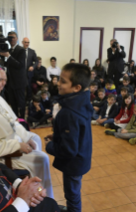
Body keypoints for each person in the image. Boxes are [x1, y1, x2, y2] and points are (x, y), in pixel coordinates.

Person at [0, 65, 53, 197]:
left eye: (0, 80)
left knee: (35, 138)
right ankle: (42, 196)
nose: (0, 85)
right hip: (4, 155)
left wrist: (25, 137)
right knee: (42, 158)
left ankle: (37, 191)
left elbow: (13, 122)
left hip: (12, 142)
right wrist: (18, 145)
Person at [45, 63, 93, 212]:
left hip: (74, 163)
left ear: (77, 87)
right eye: (59, 79)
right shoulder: (82, 101)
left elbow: (69, 150)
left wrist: (50, 146)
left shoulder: (69, 113)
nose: (58, 84)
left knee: (72, 194)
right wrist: (58, 136)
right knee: (74, 191)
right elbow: (76, 133)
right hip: (81, 157)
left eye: (63, 81)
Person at [0, 31, 27, 118]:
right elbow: (10, 65)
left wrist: (8, 56)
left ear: (17, 38)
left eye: (13, 37)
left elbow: (20, 65)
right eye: (9, 37)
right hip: (11, 82)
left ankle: (22, 121)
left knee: (21, 103)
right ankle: (15, 119)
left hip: (19, 82)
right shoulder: (9, 50)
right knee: (13, 103)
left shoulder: (21, 50)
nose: (11, 39)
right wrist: (1, 61)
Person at [22, 37, 38, 101]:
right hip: (21, 73)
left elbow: (36, 61)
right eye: (25, 42)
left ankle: (28, 102)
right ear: (22, 42)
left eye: (28, 42)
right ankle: (22, 101)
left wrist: (33, 67)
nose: (27, 44)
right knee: (22, 88)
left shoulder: (32, 51)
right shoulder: (20, 50)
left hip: (29, 73)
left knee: (29, 88)